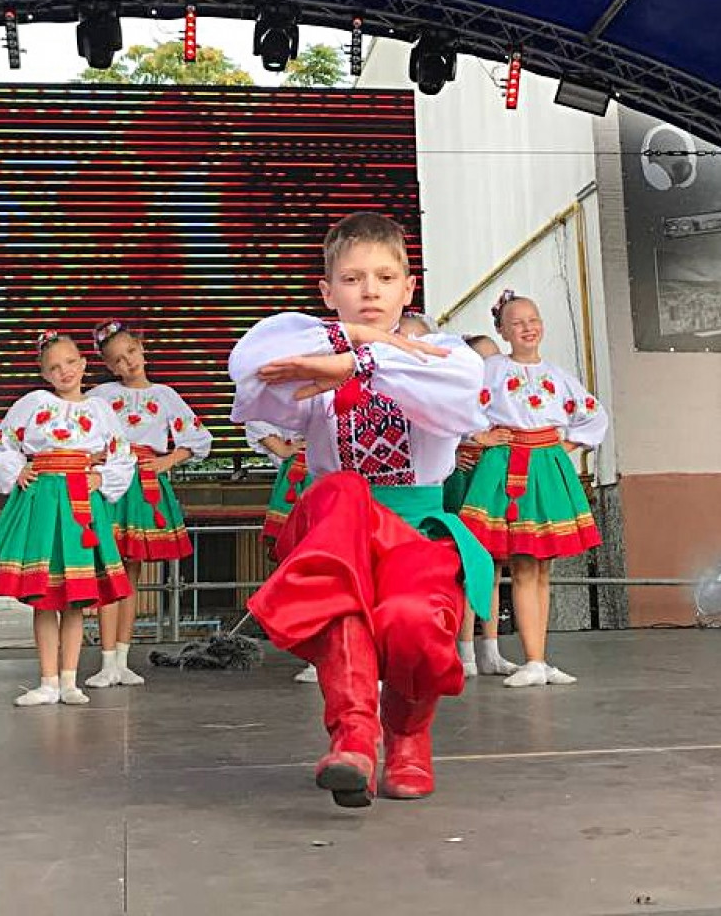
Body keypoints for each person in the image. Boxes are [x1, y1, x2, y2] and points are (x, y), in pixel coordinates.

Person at [228, 211, 493, 808]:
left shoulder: (442, 354)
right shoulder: (312, 355)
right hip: (339, 530)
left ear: (408, 287)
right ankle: (353, 736)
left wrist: (357, 363)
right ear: (327, 292)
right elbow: (246, 365)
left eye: (384, 277)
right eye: (351, 279)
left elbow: (460, 389)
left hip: (413, 531)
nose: (369, 291)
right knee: (341, 529)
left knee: (411, 620)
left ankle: (408, 738)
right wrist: (348, 341)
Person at [0, 332, 136, 707]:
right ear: (45, 374)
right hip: (44, 500)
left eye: (70, 362)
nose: (64, 371)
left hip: (81, 502)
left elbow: (122, 453)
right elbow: (0, 441)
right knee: (45, 596)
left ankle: (69, 681)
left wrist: (102, 478)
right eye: (54, 367)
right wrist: (17, 469)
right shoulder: (33, 403)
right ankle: (47, 682)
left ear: (84, 364)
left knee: (76, 598)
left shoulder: (100, 409)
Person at [459, 291, 609, 688]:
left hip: (545, 465)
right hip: (507, 466)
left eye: (533, 319)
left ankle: (538, 659)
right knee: (525, 564)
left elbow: (594, 413)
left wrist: (567, 445)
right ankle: (533, 659)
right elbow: (457, 404)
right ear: (503, 331)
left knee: (543, 568)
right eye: (517, 322)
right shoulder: (491, 369)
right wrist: (478, 436)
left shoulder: (558, 375)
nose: (528, 328)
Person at [84, 320, 212, 688]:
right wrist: (94, 459)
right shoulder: (100, 396)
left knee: (131, 575)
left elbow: (198, 439)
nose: (128, 362)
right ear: (109, 366)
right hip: (111, 482)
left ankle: (122, 661)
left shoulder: (166, 395)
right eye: (118, 360)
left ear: (142, 348)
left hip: (144, 484)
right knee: (108, 570)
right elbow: (81, 431)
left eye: (131, 352)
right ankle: (106, 660)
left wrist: (167, 460)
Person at [444, 334, 522, 678]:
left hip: (491, 479)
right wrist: (456, 452)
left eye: (497, 358)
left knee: (492, 566)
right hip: (462, 479)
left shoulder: (505, 395)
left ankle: (490, 650)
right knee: (465, 565)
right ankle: (464, 651)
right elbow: (435, 432)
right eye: (484, 360)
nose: (494, 366)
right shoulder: (455, 396)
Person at [245, 419, 315, 683]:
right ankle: (316, 656)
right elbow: (254, 413)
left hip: (340, 473)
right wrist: (284, 449)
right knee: (305, 570)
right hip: (303, 478)